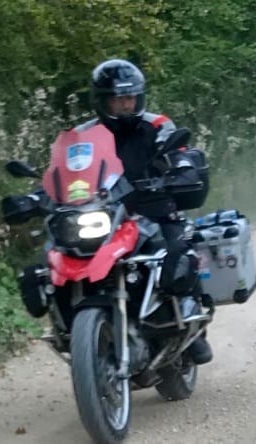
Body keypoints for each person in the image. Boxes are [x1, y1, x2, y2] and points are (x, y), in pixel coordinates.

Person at [80, 58, 212, 365]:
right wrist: (38, 193)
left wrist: (182, 168)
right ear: (102, 101)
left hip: (154, 210)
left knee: (177, 252)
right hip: (104, 215)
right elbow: (64, 168)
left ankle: (192, 325)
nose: (125, 105)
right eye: (117, 99)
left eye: (130, 97)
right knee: (60, 257)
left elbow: (177, 151)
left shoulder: (157, 125)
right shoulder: (83, 135)